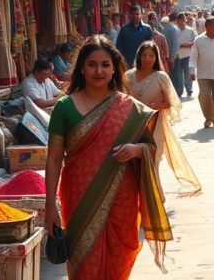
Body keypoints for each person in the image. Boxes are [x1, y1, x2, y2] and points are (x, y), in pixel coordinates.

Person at [43, 36, 171, 279]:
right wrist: (50, 205)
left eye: (105, 64)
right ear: (82, 68)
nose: (99, 71)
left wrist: (136, 150)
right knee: (84, 259)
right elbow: (53, 159)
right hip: (79, 194)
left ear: (115, 69)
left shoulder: (131, 108)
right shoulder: (65, 107)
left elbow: (150, 147)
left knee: (120, 256)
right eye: (92, 64)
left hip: (122, 194)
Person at [127, 41, 202, 197]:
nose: (147, 59)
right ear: (139, 57)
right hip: (132, 126)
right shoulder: (128, 76)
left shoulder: (161, 77)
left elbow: (172, 102)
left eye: (151, 56)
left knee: (152, 161)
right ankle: (137, 200)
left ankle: (155, 198)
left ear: (156, 58)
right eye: (144, 55)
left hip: (155, 125)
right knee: (133, 164)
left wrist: (159, 105)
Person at [189, 17, 214, 128]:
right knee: (204, 95)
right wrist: (192, 69)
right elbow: (194, 56)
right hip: (203, 74)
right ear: (206, 27)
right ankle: (208, 117)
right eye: (213, 26)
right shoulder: (198, 40)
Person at [175, 13, 197, 97]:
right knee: (178, 74)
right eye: (180, 20)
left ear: (185, 20)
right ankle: (179, 91)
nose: (181, 22)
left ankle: (189, 89)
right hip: (177, 55)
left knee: (188, 73)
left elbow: (195, 42)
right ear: (177, 21)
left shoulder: (191, 30)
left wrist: (182, 45)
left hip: (188, 55)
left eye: (183, 20)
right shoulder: (175, 30)